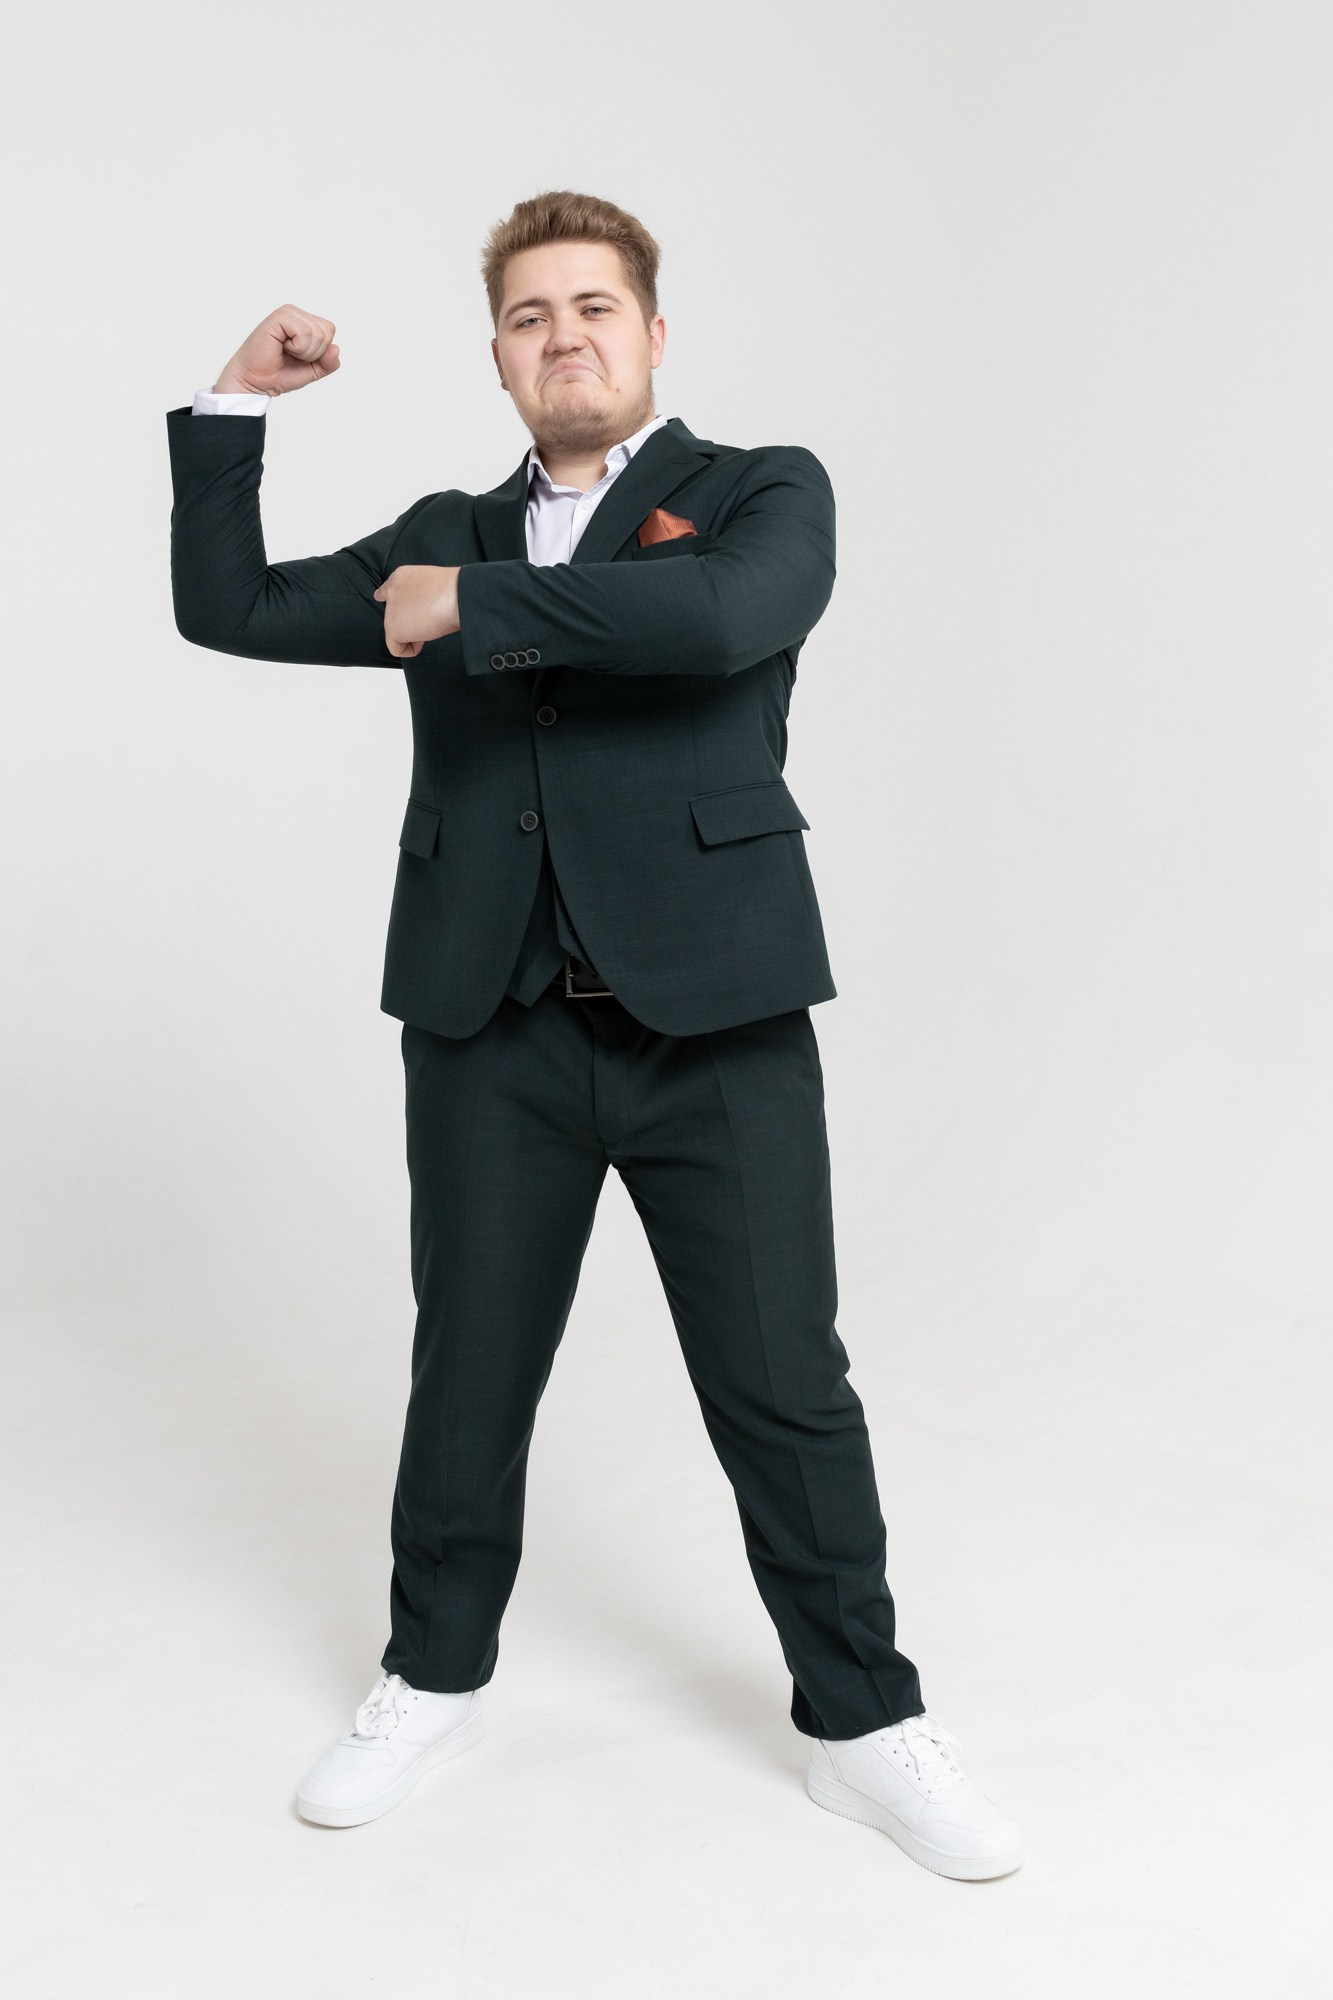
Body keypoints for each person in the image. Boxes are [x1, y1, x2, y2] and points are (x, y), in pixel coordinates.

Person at [166, 188, 1023, 1880]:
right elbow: (231, 610)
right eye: (528, 315)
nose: (561, 335)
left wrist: (468, 608)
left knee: (782, 1384)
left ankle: (861, 1724)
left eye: (592, 307)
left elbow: (718, 621)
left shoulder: (758, 492)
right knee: (468, 1371)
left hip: (715, 1020)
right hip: (490, 1025)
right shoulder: (443, 528)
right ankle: (431, 1678)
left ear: (651, 334)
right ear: (497, 356)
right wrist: (234, 406)